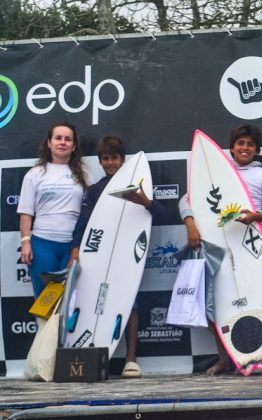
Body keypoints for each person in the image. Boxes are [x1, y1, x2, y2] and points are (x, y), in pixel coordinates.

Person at [179, 123, 262, 374]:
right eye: (240, 143)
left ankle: (255, 357)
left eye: (250, 144)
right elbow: (185, 199)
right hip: (217, 246)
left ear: (256, 150)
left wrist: (257, 216)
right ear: (232, 147)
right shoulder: (217, 172)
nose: (245, 148)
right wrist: (190, 224)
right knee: (218, 303)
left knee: (256, 299)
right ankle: (226, 358)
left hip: (250, 248)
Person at [69, 135, 170, 378]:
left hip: (126, 255)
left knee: (127, 302)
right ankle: (84, 353)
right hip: (99, 254)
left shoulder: (139, 189)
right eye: (106, 159)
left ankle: (131, 359)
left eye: (114, 158)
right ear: (100, 162)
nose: (110, 163)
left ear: (122, 160)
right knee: (89, 300)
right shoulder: (94, 191)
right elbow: (83, 224)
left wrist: (145, 202)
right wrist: (75, 250)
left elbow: (165, 217)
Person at [18, 122, 90, 304]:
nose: (63, 142)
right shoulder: (35, 174)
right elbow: (26, 212)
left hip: (73, 248)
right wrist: (26, 242)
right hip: (42, 246)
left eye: (68, 139)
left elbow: (91, 211)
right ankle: (45, 334)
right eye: (58, 138)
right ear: (49, 143)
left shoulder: (85, 175)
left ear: (73, 146)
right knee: (45, 304)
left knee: (70, 304)